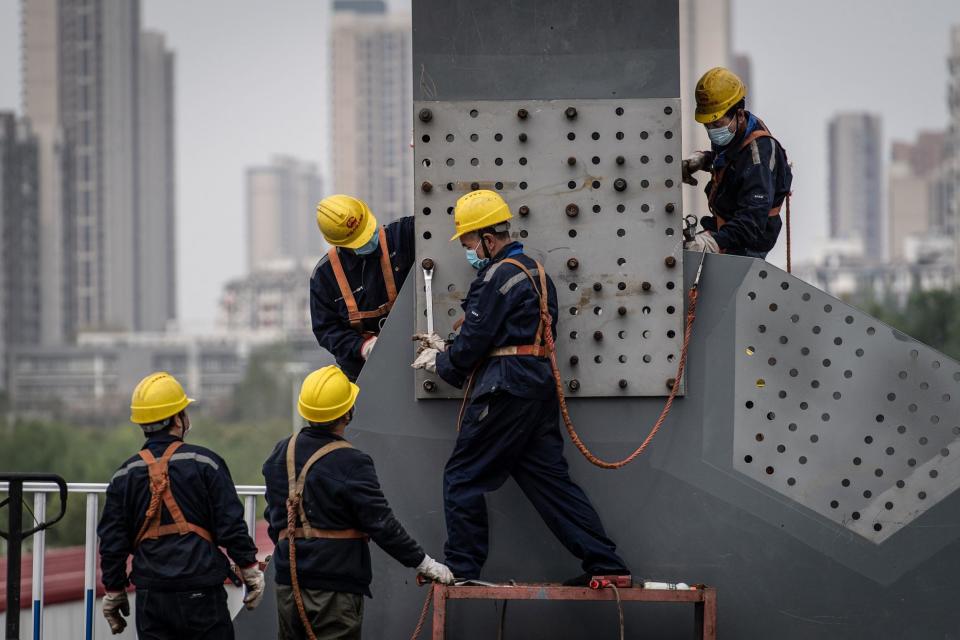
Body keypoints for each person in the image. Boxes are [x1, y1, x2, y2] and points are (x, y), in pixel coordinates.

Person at [411, 190, 630, 585]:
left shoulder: (495, 277)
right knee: (550, 484)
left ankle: (461, 569)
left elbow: (473, 345)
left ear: (488, 240)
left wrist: (442, 359)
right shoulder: (538, 274)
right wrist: (458, 348)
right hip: (536, 387)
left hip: (505, 389)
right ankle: (607, 565)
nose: (469, 253)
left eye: (468, 244)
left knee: (462, 476)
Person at [262, 365, 453, 640]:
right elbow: (381, 524)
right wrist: (424, 563)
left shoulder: (282, 452)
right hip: (333, 589)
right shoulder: (351, 462)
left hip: (288, 585)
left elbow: (274, 516)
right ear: (347, 413)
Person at [98, 372, 264, 638]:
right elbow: (230, 523)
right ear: (178, 419)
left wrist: (115, 589)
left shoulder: (124, 475)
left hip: (152, 595)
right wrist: (249, 568)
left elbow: (112, 541)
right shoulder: (205, 463)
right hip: (200, 591)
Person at [682, 66, 793, 258]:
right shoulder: (737, 131)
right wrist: (704, 159)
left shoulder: (759, 156)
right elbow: (735, 163)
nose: (711, 130)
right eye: (707, 125)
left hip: (746, 242)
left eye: (716, 124)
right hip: (726, 227)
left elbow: (752, 220)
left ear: (739, 114)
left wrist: (712, 242)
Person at [310, 195, 415, 380]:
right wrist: (361, 347)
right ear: (341, 244)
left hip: (414, 356)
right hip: (363, 374)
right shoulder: (325, 276)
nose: (370, 239)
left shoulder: (402, 236)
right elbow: (326, 330)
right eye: (361, 240)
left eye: (369, 230)